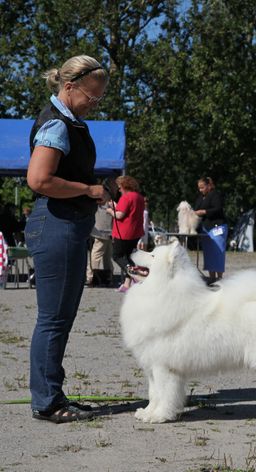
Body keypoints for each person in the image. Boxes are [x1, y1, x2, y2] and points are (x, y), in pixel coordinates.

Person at [25, 55, 108, 423]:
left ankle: (52, 393)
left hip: (67, 225)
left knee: (61, 315)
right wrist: (89, 189)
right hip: (56, 224)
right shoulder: (57, 125)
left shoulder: (71, 122)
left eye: (100, 99)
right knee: (54, 318)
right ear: (70, 87)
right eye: (92, 96)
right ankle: (47, 401)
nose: (95, 103)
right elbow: (39, 179)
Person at [106, 175, 145, 293]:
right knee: (128, 257)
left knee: (117, 256)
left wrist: (109, 211)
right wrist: (115, 206)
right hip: (136, 232)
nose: (118, 190)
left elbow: (119, 215)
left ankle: (136, 273)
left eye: (119, 187)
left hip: (123, 232)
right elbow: (127, 212)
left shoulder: (126, 197)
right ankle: (127, 284)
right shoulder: (139, 197)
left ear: (124, 186)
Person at [194, 177, 226, 283]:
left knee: (218, 252)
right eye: (199, 188)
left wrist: (204, 212)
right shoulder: (201, 197)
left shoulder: (215, 194)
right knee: (208, 253)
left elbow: (218, 208)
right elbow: (195, 209)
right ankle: (212, 277)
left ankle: (220, 278)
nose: (200, 190)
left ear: (208, 186)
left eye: (202, 187)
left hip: (217, 227)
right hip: (205, 229)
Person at [85, 202, 113, 286]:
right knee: (106, 255)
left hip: (102, 229)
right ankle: (107, 277)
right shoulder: (110, 196)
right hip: (106, 229)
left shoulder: (100, 196)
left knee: (96, 254)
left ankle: (92, 277)